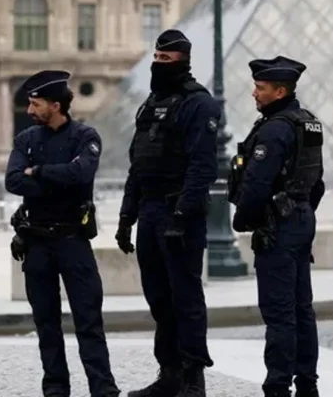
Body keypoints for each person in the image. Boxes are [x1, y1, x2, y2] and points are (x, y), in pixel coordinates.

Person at [116, 29, 219, 397]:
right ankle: (169, 373)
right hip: (150, 210)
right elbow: (137, 164)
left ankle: (193, 377)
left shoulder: (199, 104)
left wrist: (181, 215)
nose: (158, 65)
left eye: (165, 60)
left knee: (186, 298)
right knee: (158, 298)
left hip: (180, 212)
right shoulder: (149, 104)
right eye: (156, 59)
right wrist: (126, 217)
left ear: (183, 62)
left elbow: (202, 168)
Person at [5, 69, 119, 397]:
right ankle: (55, 390)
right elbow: (13, 181)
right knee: (46, 325)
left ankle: (103, 389)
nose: (29, 111)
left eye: (35, 104)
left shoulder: (85, 136)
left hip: (73, 241)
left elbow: (81, 173)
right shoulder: (26, 139)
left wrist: (39, 172)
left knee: (89, 322)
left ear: (55, 105)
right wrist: (60, 179)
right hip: (37, 242)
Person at [230, 56, 326, 397]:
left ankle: (277, 387)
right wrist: (300, 211)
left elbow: (256, 184)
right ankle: (308, 384)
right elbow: (318, 184)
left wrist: (243, 219)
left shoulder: (274, 130)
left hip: (278, 227)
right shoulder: (308, 123)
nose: (254, 93)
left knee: (279, 313)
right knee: (303, 310)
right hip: (301, 220)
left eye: (260, 88)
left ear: (280, 90)